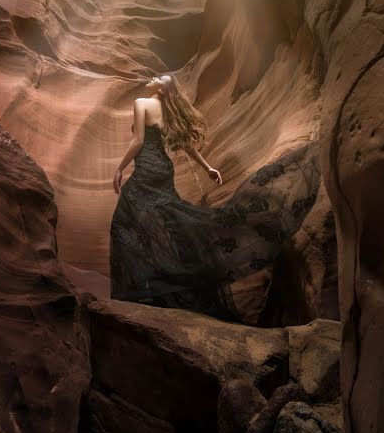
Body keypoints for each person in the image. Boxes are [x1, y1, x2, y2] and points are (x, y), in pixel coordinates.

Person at [109, 73, 292, 322]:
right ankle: (169, 283)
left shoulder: (142, 102)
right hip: (164, 170)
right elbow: (186, 144)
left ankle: (145, 289)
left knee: (123, 223)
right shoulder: (169, 113)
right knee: (171, 224)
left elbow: (138, 140)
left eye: (160, 78)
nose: (154, 76)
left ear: (163, 90)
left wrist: (120, 168)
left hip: (149, 169)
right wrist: (208, 168)